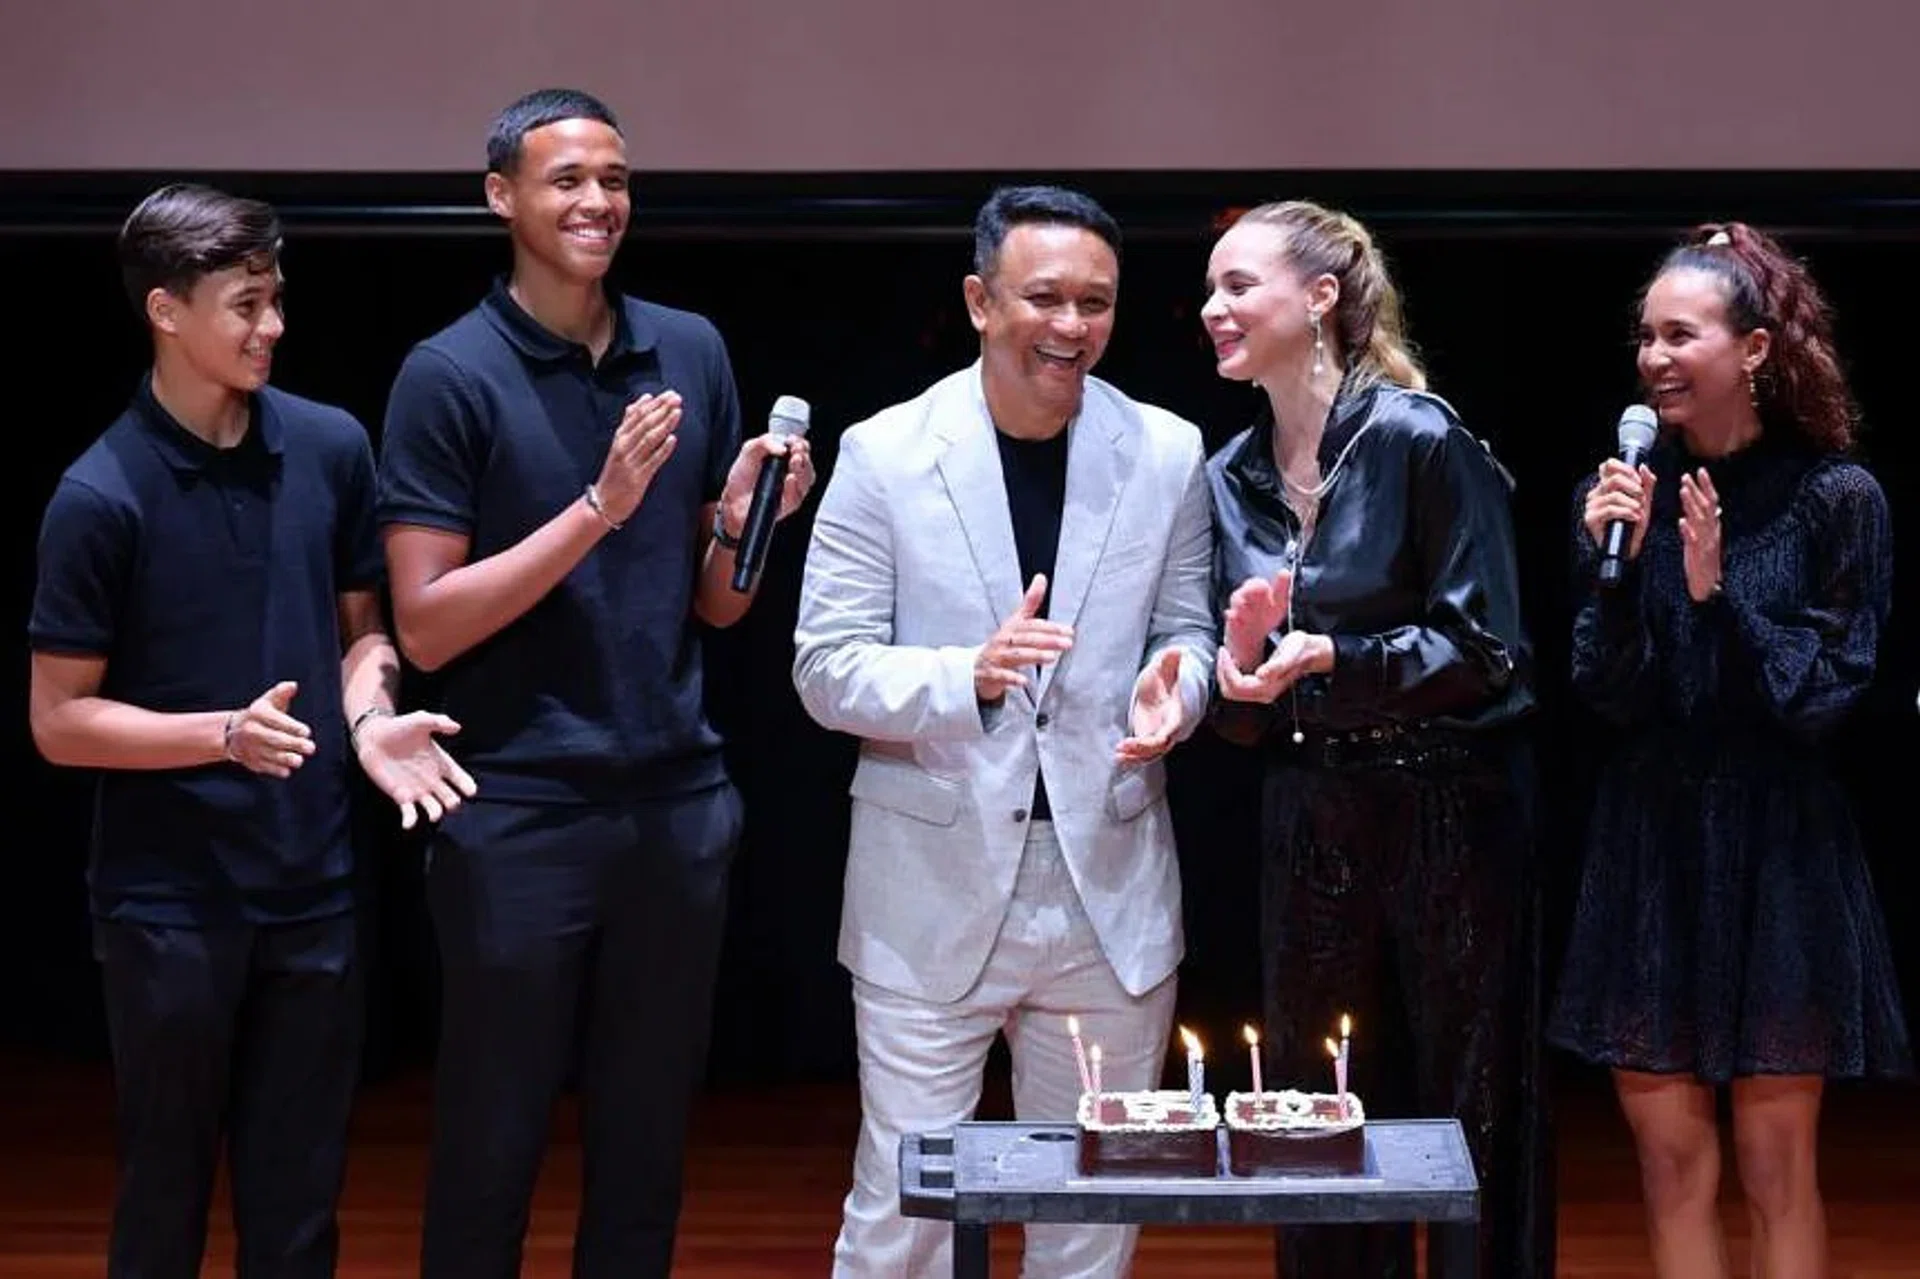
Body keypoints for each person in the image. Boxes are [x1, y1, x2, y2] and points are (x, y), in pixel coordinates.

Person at [376, 89, 813, 1278]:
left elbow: (716, 606)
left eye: (615, 179)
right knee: (491, 1138)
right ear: (501, 197)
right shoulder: (448, 374)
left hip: (676, 803)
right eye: (566, 178)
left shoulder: (691, 348)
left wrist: (743, 524)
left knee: (645, 1144)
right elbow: (424, 623)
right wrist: (598, 509)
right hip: (516, 808)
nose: (598, 202)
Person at [27, 183, 471, 1279]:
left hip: (312, 888)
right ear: (166, 311)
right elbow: (58, 720)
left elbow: (366, 633)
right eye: (246, 303)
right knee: (165, 1192)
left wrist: (367, 719)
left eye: (277, 299)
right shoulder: (99, 494)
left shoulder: (326, 447)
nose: (272, 326)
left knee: (300, 1202)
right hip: (169, 906)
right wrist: (220, 734)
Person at [793, 185, 1216, 1278]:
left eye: (1096, 302)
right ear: (981, 300)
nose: (1070, 327)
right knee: (906, 1213)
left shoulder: (1167, 450)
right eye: (1043, 298)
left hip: (1109, 886)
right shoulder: (884, 453)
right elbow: (823, 666)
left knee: (1095, 1210)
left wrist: (1184, 690)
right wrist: (966, 676)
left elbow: (1186, 629)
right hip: (928, 883)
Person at [1549, 222, 1912, 1279]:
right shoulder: (1620, 492)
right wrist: (1614, 570)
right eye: (1645, 338)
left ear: (1753, 349)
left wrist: (1719, 599)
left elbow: (1825, 698)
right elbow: (1605, 692)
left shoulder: (1836, 497)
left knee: (1774, 1157)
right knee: (1668, 1159)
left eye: (1680, 334)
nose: (1655, 357)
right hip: (1651, 843)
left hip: (1780, 847)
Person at [1202, 200, 1552, 1278]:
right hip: (1309, 810)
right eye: (1209, 290)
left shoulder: (1416, 436)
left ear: (1319, 298)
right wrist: (1231, 680)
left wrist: (1338, 660)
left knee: (1472, 1106)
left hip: (1449, 803)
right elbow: (1243, 696)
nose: (1213, 309)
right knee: (1312, 1104)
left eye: (1237, 285)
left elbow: (1489, 647)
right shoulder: (1230, 475)